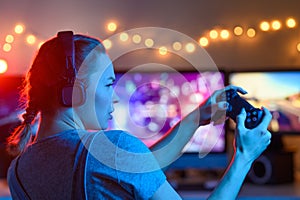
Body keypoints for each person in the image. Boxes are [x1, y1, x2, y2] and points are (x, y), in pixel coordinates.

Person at [6, 31, 272, 200]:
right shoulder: (109, 149)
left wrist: (197, 117)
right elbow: (124, 165)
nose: (116, 97)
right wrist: (244, 158)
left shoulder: (18, 171)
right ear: (75, 90)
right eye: (109, 84)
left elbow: (134, 168)